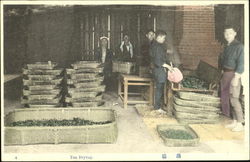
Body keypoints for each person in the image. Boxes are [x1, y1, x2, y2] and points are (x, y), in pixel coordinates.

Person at [218, 25, 244, 132]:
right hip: (226, 74)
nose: (227, 35)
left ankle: (240, 123)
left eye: (230, 33)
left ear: (235, 34)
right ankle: (234, 121)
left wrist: (236, 78)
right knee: (228, 98)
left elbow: (241, 64)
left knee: (234, 98)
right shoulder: (227, 46)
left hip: (234, 75)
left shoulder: (239, 46)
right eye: (226, 33)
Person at [150, 30, 173, 114]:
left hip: (156, 70)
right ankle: (157, 107)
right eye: (163, 38)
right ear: (159, 37)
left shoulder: (155, 45)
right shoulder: (158, 47)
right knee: (159, 89)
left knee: (159, 88)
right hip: (159, 70)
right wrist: (168, 66)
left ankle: (158, 105)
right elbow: (158, 61)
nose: (164, 39)